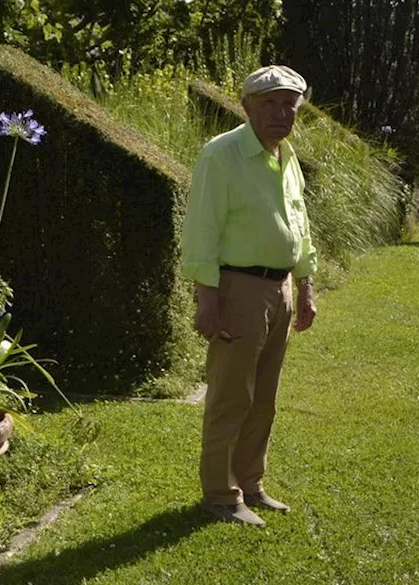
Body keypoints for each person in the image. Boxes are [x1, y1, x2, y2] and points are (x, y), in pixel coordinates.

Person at [181, 64, 318, 527]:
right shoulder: (222, 156)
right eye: (270, 105)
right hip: (237, 288)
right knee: (231, 396)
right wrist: (206, 299)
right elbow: (202, 230)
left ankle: (250, 484)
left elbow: (299, 224)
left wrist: (305, 286)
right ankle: (220, 494)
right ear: (246, 107)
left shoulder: (286, 156)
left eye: (289, 106)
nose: (281, 114)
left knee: (264, 397)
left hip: (278, 287)